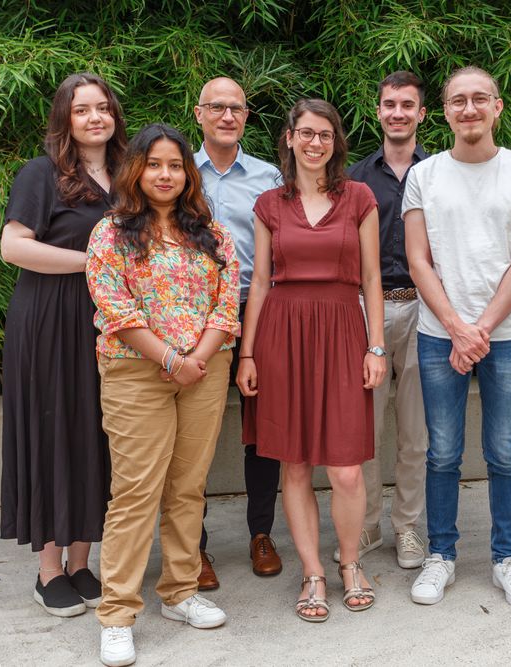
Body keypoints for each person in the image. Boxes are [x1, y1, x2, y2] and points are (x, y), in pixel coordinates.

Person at [86, 124, 239, 666]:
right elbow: (115, 309)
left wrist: (197, 359)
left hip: (205, 369)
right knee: (135, 492)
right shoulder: (111, 232)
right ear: (136, 170)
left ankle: (179, 591)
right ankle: (117, 613)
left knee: (187, 486)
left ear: (187, 173)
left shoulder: (211, 232)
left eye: (175, 165)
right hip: (135, 372)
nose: (166, 174)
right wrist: (173, 359)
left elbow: (228, 301)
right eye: (155, 164)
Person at [403, 66, 511, 609]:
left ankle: (505, 558)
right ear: (444, 111)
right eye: (458, 101)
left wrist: (480, 329)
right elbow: (418, 261)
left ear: (498, 107)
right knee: (441, 451)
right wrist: (457, 329)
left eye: (479, 99)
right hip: (438, 332)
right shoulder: (426, 176)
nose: (469, 109)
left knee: (504, 452)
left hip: (506, 334)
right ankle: (441, 554)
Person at [237, 99, 386, 622]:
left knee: (345, 469)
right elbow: (258, 281)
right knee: (295, 464)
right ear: (290, 138)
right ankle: (313, 573)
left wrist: (376, 346)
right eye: (306, 133)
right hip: (283, 333)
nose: (315, 142)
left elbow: (371, 279)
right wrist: (248, 353)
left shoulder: (360, 197)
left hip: (345, 331)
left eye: (325, 134)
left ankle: (349, 565)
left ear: (335, 141)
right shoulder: (268, 204)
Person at [0, 72, 126, 618]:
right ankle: (49, 567)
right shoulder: (41, 174)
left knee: (98, 431)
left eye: (103, 108)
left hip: (108, 322)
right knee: (55, 430)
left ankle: (81, 561)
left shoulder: (130, 176)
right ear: (64, 120)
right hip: (50, 319)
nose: (95, 117)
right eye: (82, 110)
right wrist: (92, 263)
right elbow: (13, 247)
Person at [193, 76, 284, 588]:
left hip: (257, 308)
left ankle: (261, 533)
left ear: (247, 117)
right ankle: (195, 545)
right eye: (217, 107)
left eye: (237, 109)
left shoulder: (269, 178)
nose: (228, 116)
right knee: (195, 433)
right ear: (199, 114)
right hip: (193, 314)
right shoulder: (177, 170)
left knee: (262, 432)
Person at [340, 70, 429, 570]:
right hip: (364, 309)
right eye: (389, 104)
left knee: (415, 430)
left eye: (407, 105)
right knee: (364, 429)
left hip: (423, 307)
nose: (397, 112)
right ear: (378, 111)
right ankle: (369, 522)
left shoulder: (438, 172)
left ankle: (409, 527)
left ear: (420, 113)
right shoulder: (354, 178)